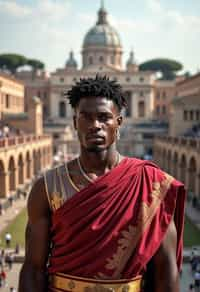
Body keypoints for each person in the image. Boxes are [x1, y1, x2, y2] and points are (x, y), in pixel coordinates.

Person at [19, 75, 186, 292]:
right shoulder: (47, 187)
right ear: (74, 122)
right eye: (85, 117)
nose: (94, 125)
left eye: (104, 117)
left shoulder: (152, 183)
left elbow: (166, 270)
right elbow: (33, 268)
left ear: (118, 123)